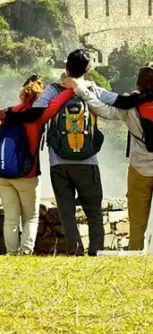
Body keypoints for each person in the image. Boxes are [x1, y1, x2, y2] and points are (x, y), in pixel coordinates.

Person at [63, 63, 153, 251]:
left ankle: (135, 257)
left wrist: (80, 89)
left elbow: (102, 109)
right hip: (140, 168)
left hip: (139, 168)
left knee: (137, 222)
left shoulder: (130, 103)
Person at [0, 75, 74, 255]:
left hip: (2, 173)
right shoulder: (37, 115)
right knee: (30, 216)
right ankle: (25, 252)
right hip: (26, 173)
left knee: (11, 216)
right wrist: (73, 87)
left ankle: (11, 253)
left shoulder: (9, 112)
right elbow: (56, 103)